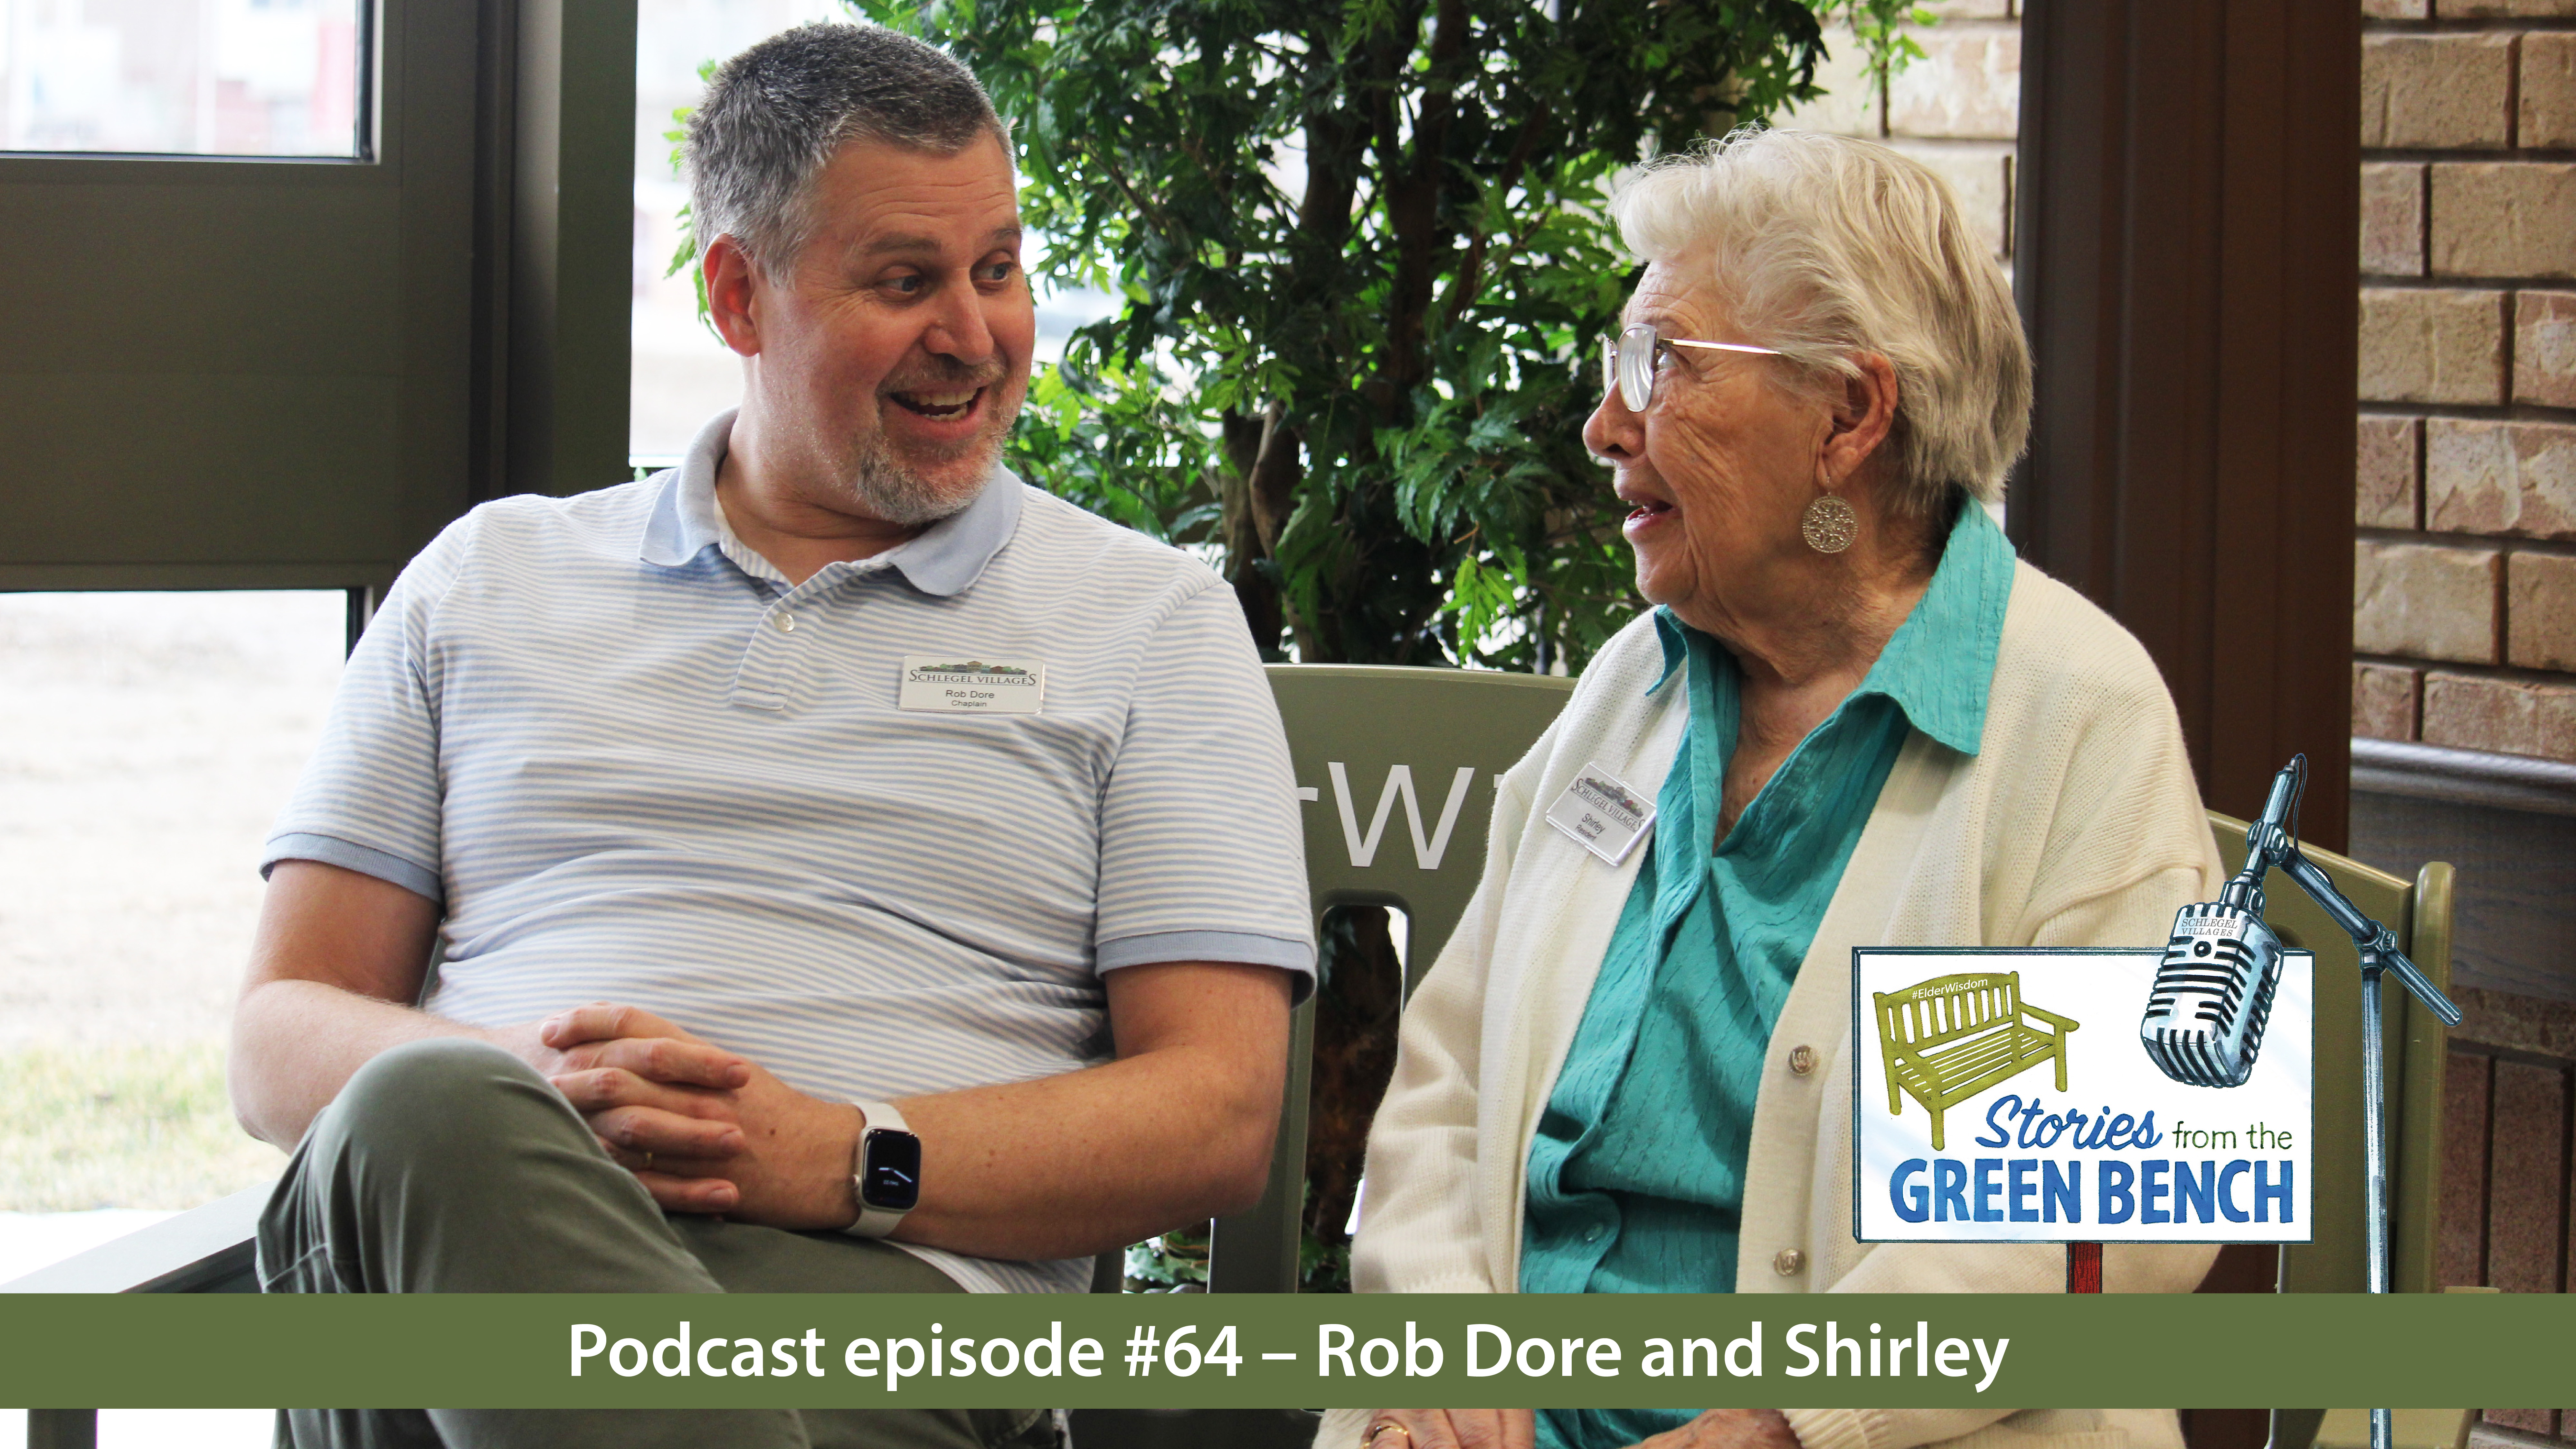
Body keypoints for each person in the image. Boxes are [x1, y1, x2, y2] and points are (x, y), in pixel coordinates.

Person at [227, 24, 1313, 1449]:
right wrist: (532, 1098)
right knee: (429, 1108)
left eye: (997, 269)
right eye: (904, 280)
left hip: (878, 1326)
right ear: (740, 295)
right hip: (469, 1260)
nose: (975, 336)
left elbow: (1216, 1117)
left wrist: (838, 1155)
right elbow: (276, 1035)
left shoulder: (1149, 621)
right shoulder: (487, 582)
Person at [1328, 130, 2223, 1449]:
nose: (1604, 422)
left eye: (1663, 365)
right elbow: (1448, 1084)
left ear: (1848, 419)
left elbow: (2113, 1213)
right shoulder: (1633, 679)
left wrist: (1791, 1420)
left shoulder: (2077, 713)